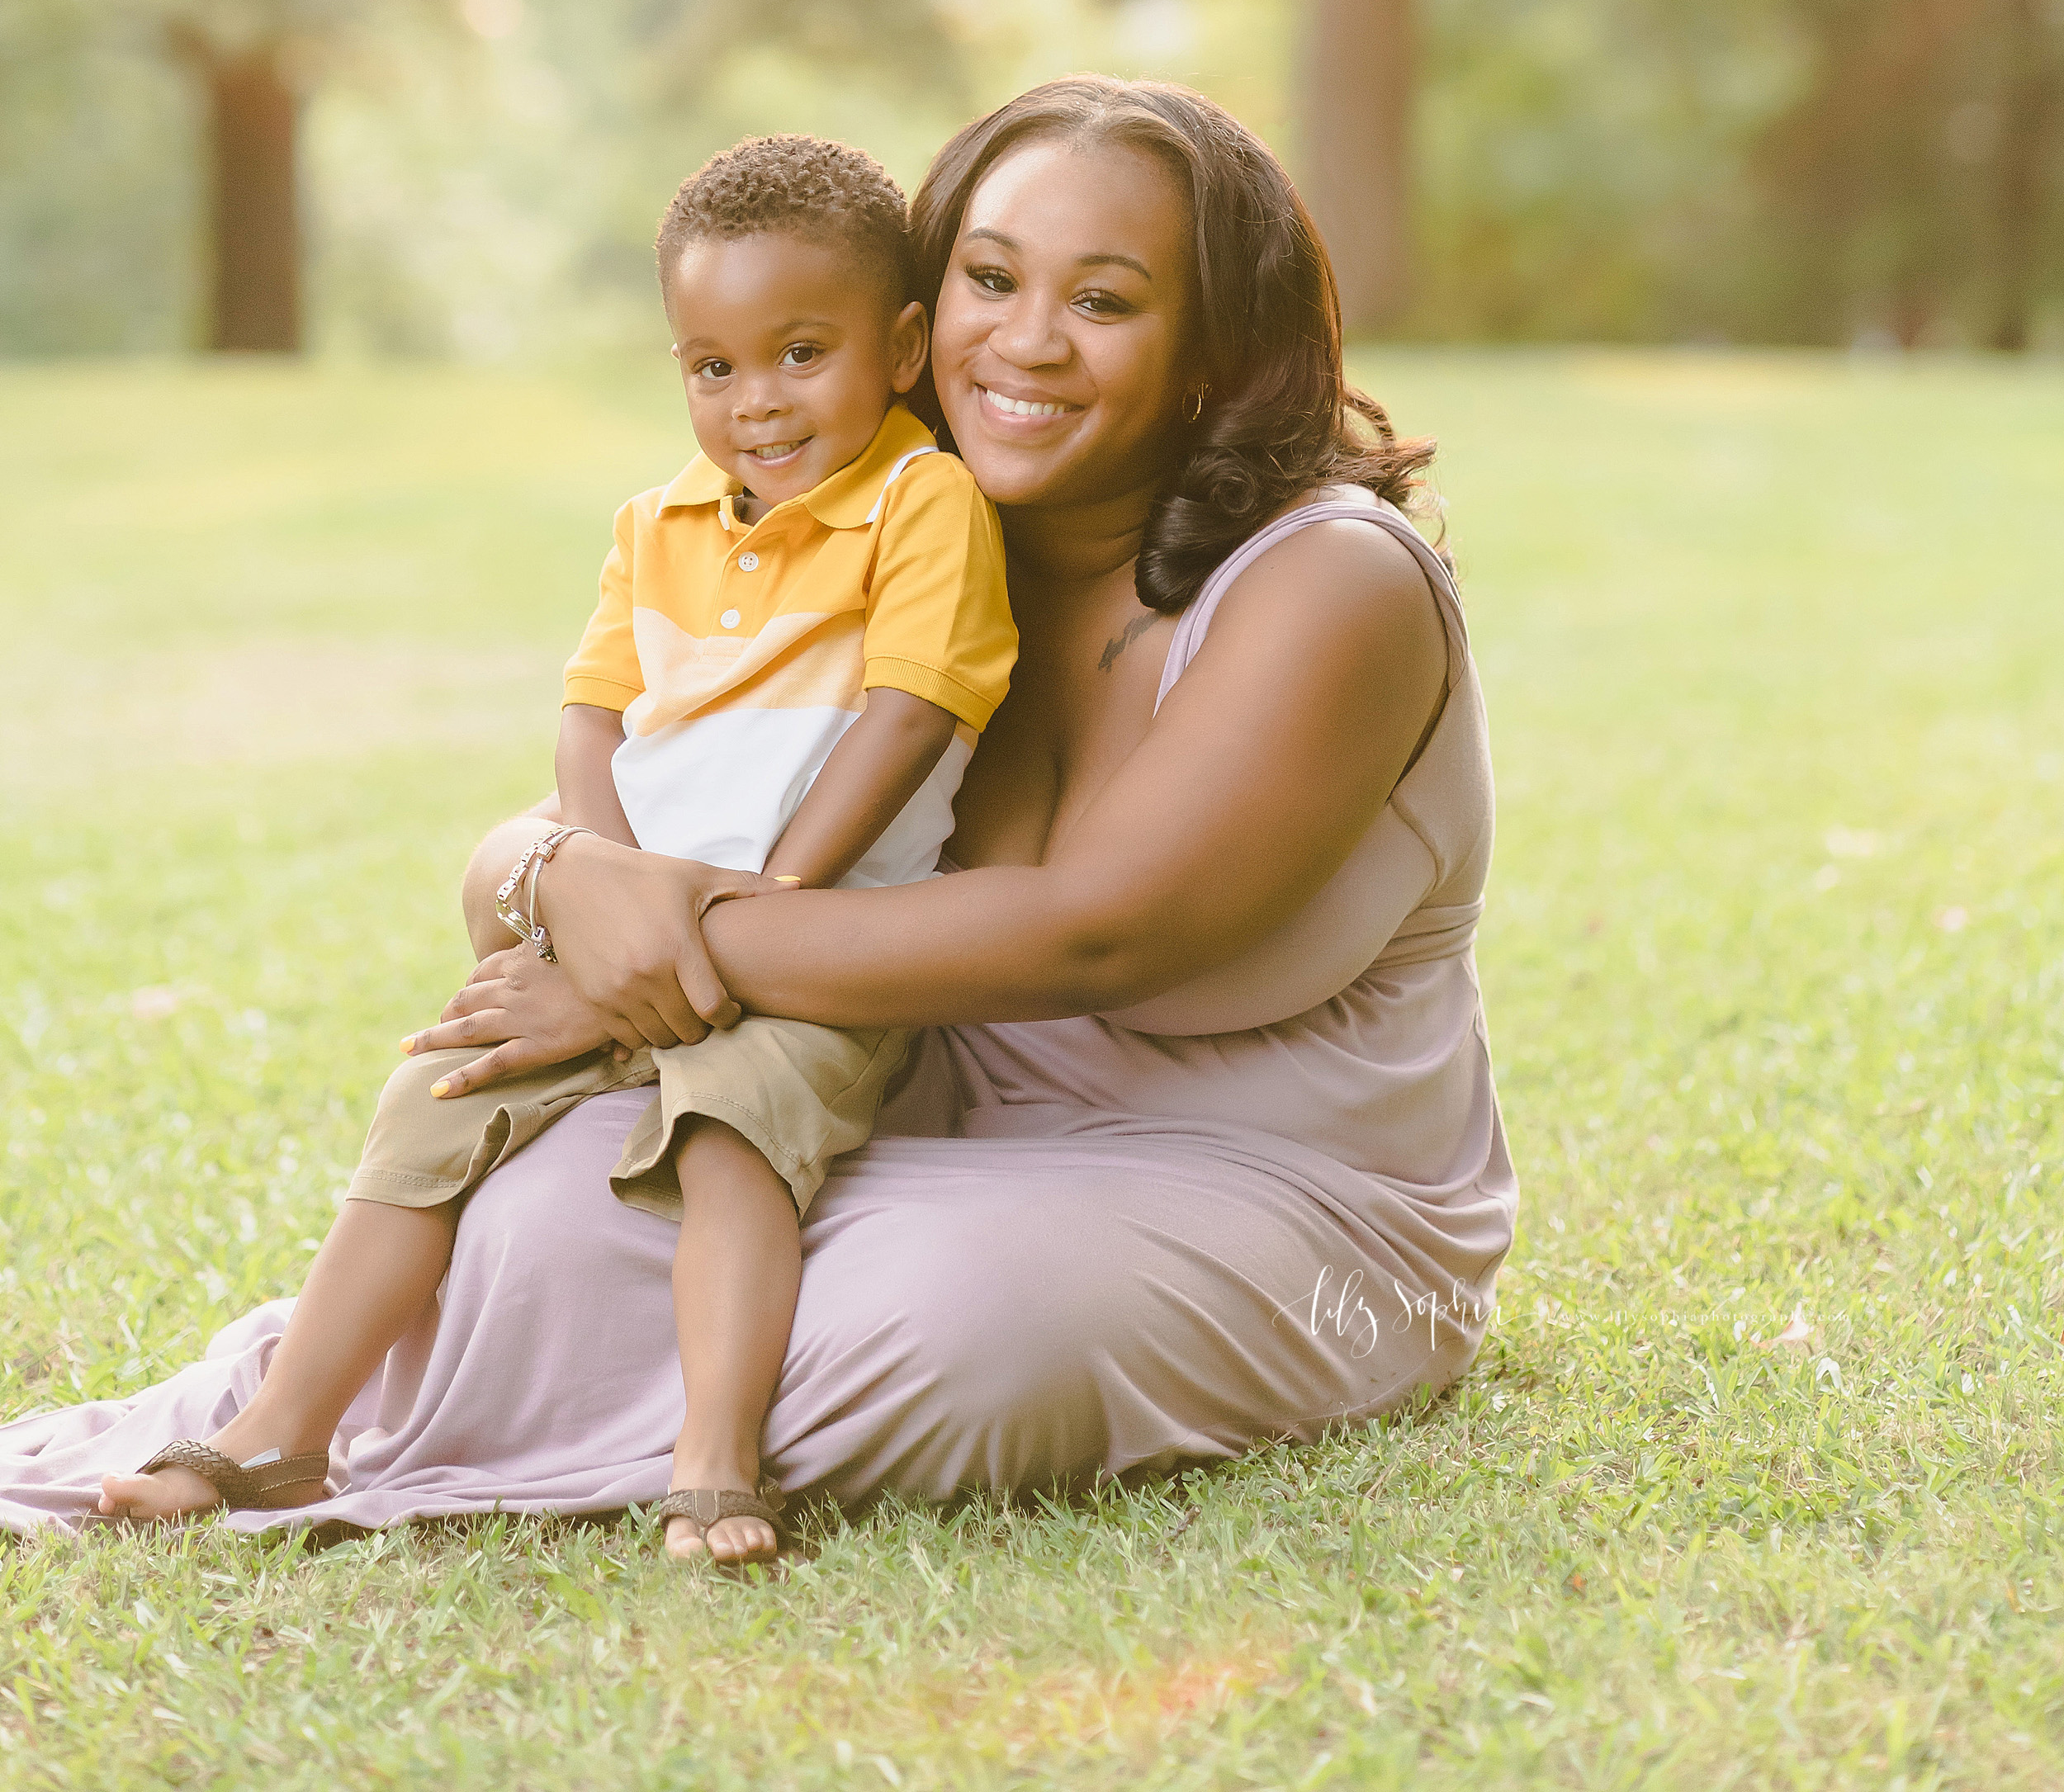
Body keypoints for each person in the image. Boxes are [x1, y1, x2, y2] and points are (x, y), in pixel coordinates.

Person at [0, 78, 1515, 1545]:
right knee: (528, 1215)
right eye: (989, 277)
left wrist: (659, 930)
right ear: (921, 316)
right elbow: (584, 844)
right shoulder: (897, 534)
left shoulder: (1329, 582)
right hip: (907, 1125)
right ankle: (287, 1439)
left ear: (1210, 348)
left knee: (955, 1317)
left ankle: (651, 1434)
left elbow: (1097, 932)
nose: (1027, 341)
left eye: (1105, 300)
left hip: (1320, 1224)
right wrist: (545, 872)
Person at [96, 136, 1015, 1569]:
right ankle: (284, 1428)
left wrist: (754, 909)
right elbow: (593, 717)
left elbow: (906, 717)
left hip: (820, 941)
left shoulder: (922, 504)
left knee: (731, 1138)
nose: (754, 400)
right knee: (434, 1098)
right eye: (711, 366)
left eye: (798, 351)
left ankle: (713, 1464)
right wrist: (604, 897)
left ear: (901, 348)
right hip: (641, 925)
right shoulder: (655, 526)